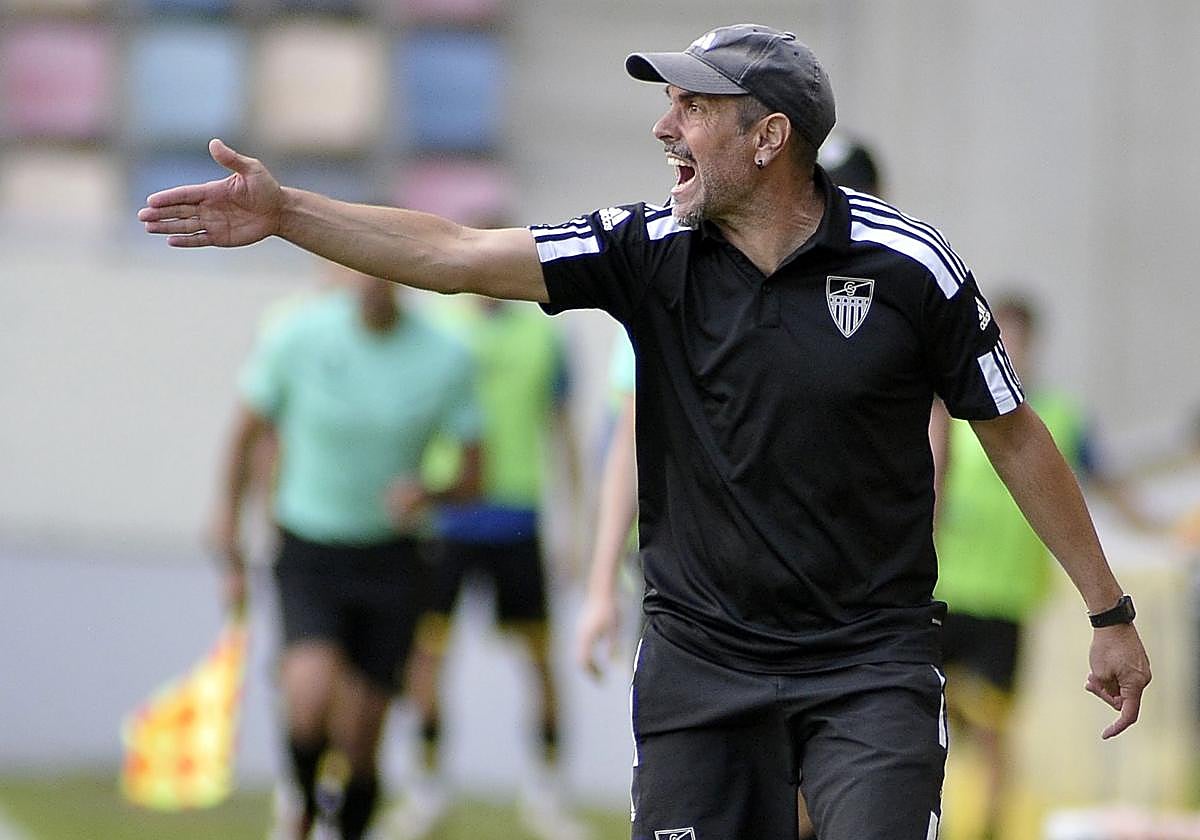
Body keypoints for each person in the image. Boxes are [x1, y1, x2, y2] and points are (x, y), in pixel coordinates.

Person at [141, 23, 1151, 839]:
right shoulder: (644, 249)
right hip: (702, 667)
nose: (667, 127)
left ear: (769, 140)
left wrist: (1109, 613)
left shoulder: (911, 269)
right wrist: (288, 212)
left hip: (870, 667)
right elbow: (456, 251)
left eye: (693, 107)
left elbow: (1013, 434)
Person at [211, 265, 481, 840]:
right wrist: (228, 539)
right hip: (309, 546)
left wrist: (428, 491)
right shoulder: (296, 336)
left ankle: (347, 824)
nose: (370, 281)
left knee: (361, 738)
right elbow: (244, 437)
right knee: (308, 692)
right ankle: (302, 808)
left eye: (384, 269)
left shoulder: (445, 355)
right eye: (356, 268)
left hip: (393, 558)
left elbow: (473, 475)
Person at [930, 294, 1151, 840]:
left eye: (1016, 340)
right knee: (925, 722)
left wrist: (1155, 530)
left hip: (1004, 599)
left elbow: (1107, 482)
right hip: (943, 592)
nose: (1007, 349)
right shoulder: (951, 412)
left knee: (991, 733)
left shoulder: (1056, 416)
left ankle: (986, 829)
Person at [387, 295, 588, 840]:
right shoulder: (437, 333)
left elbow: (562, 428)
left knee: (540, 661)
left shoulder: (544, 335)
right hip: (447, 521)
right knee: (425, 658)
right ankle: (426, 789)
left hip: (518, 517)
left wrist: (575, 524)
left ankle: (548, 794)